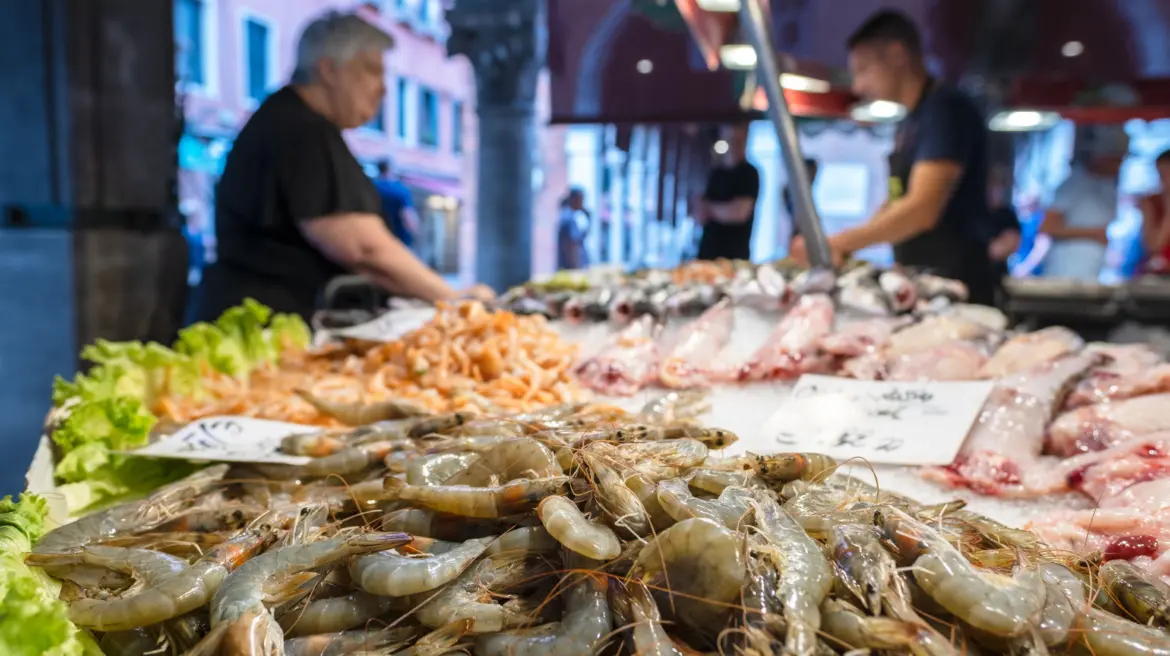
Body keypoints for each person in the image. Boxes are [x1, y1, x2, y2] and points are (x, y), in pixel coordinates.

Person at [189, 11, 491, 323]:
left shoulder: (293, 121)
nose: (383, 89)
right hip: (267, 323)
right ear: (329, 70)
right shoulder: (301, 129)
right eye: (371, 70)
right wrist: (455, 299)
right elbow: (364, 249)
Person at [790, 10, 994, 304]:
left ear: (897, 55)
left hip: (956, 289)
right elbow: (897, 200)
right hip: (922, 285)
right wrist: (846, 246)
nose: (858, 87)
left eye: (864, 70)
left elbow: (922, 208)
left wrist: (839, 243)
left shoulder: (944, 110)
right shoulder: (911, 120)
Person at [1040, 126, 1127, 281]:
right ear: (1101, 158)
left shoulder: (1109, 187)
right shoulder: (1073, 183)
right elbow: (1047, 227)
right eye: (1116, 160)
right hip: (1065, 273)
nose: (1119, 166)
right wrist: (1093, 233)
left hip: (1094, 272)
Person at [696, 125, 760, 261]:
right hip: (706, 255)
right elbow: (699, 213)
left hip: (735, 256)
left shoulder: (749, 173)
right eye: (731, 138)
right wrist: (721, 210)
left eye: (738, 139)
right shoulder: (716, 173)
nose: (734, 143)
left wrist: (711, 209)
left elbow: (739, 213)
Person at [985, 165, 1022, 296]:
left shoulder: (1006, 215)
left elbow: (1007, 246)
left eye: (997, 185)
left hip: (994, 281)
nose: (992, 189)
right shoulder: (971, 215)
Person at [373, 159, 421, 250]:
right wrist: (415, 231)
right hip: (397, 241)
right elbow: (408, 215)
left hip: (375, 237)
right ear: (390, 169)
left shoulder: (372, 187)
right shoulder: (400, 190)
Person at [1139, 149, 1170, 275]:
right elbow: (1154, 245)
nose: (1162, 180)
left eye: (1166, 174)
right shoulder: (1151, 201)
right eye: (1160, 174)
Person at [783, 158, 819, 254]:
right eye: (813, 171)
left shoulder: (806, 189)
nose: (815, 175)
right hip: (800, 230)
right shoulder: (794, 189)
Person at [557, 188, 589, 270]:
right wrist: (574, 265)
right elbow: (570, 244)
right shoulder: (568, 218)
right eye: (580, 199)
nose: (582, 202)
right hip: (571, 265)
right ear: (574, 199)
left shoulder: (576, 215)